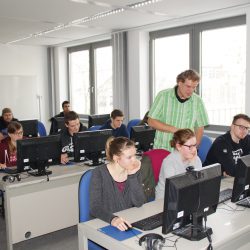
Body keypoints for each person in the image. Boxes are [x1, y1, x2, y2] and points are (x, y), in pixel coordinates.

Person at [89, 137, 145, 231]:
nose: (134, 160)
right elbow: (95, 207)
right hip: (106, 222)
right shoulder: (99, 173)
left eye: (134, 155)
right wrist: (113, 219)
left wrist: (132, 176)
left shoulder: (134, 171)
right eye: (129, 157)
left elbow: (139, 202)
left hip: (127, 221)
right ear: (116, 158)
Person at [148, 69, 209, 152]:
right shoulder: (163, 96)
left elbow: (200, 127)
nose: (191, 91)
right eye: (188, 86)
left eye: (194, 87)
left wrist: (194, 148)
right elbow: (151, 121)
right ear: (179, 83)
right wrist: (176, 130)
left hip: (185, 152)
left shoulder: (197, 101)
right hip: (163, 149)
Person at [155, 129, 202, 199]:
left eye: (195, 145)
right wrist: (192, 165)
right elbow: (177, 187)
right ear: (178, 146)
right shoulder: (169, 162)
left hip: (187, 196)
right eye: (190, 146)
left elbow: (199, 182)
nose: (194, 149)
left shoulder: (196, 159)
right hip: (166, 200)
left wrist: (193, 162)